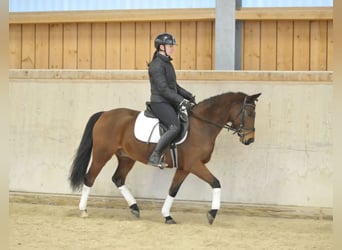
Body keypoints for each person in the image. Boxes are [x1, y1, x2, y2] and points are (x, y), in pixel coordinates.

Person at [147, 32, 195, 169]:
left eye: (172, 45)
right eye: (170, 45)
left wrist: (188, 96)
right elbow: (163, 89)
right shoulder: (156, 65)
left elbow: (174, 86)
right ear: (161, 46)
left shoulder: (167, 63)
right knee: (174, 127)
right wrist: (181, 101)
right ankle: (155, 155)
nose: (173, 48)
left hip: (169, 101)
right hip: (160, 102)